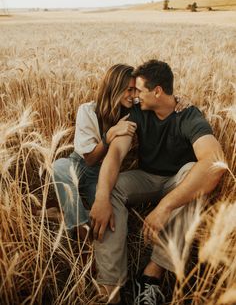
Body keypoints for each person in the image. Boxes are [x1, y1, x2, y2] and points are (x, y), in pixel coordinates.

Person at [89, 60, 225, 305]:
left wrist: (165, 206)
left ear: (158, 91)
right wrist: (100, 196)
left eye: (139, 90)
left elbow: (214, 163)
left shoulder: (189, 115)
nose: (135, 96)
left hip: (178, 181)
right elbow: (116, 154)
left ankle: (152, 274)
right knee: (112, 187)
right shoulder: (138, 112)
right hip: (147, 178)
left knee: (195, 175)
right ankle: (109, 288)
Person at [52, 64, 138, 233]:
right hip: (79, 164)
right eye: (129, 90)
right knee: (59, 167)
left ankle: (61, 215)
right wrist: (109, 135)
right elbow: (90, 159)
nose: (133, 95)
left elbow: (160, 101)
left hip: (103, 174)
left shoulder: (134, 111)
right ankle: (81, 231)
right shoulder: (87, 110)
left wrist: (179, 101)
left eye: (135, 90)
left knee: (110, 220)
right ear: (115, 88)